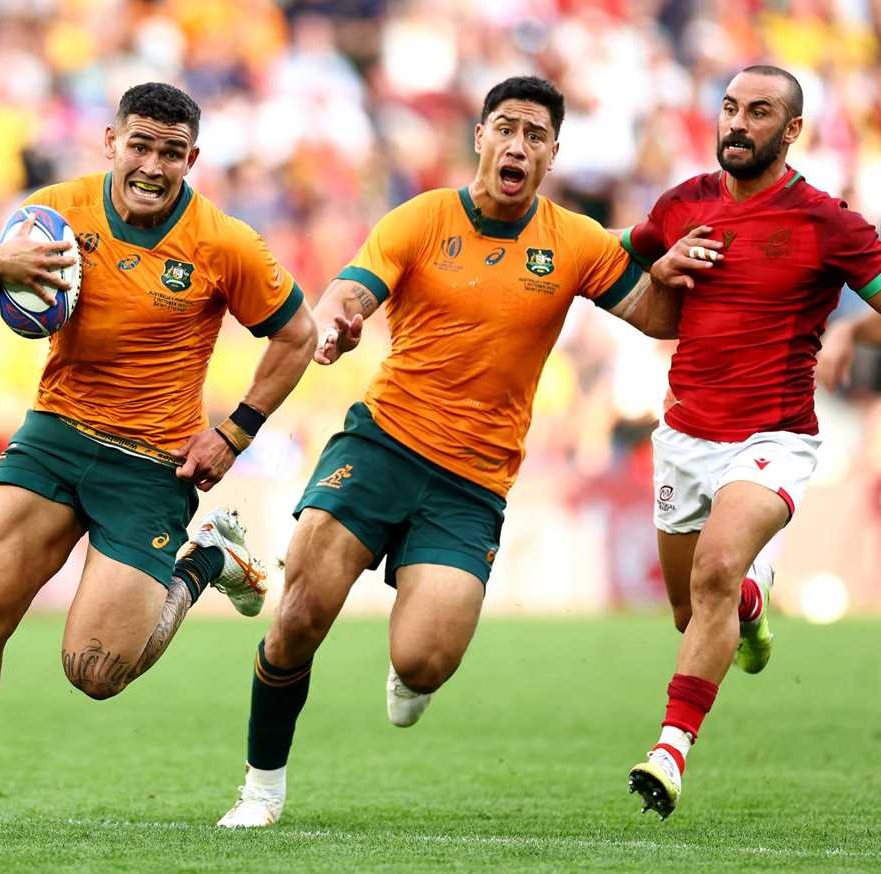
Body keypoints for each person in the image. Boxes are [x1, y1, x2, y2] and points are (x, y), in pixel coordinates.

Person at [215, 75, 688, 829]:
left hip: (472, 483)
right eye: (505, 127)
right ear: (479, 136)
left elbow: (660, 315)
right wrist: (339, 322)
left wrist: (674, 255)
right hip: (380, 445)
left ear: (553, 153)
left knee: (424, 661)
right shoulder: (424, 217)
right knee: (300, 616)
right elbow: (351, 289)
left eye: (535, 135)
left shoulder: (575, 242)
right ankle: (261, 790)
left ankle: (413, 672)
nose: (517, 145)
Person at [0, 82, 316, 844]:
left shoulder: (223, 243)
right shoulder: (55, 211)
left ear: (193, 158)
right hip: (54, 438)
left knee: (94, 672)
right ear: (111, 142)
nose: (152, 165)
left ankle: (204, 561)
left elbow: (297, 335)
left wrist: (235, 431)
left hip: (151, 468)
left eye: (171, 153)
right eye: (140, 145)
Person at [618, 65, 881, 819]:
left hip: (774, 438)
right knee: (695, 609)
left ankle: (669, 751)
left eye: (758, 112)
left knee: (717, 568)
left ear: (791, 131)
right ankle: (753, 608)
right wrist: (658, 267)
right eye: (730, 108)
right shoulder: (682, 204)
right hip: (684, 437)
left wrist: (857, 330)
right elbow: (619, 260)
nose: (737, 123)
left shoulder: (828, 223)